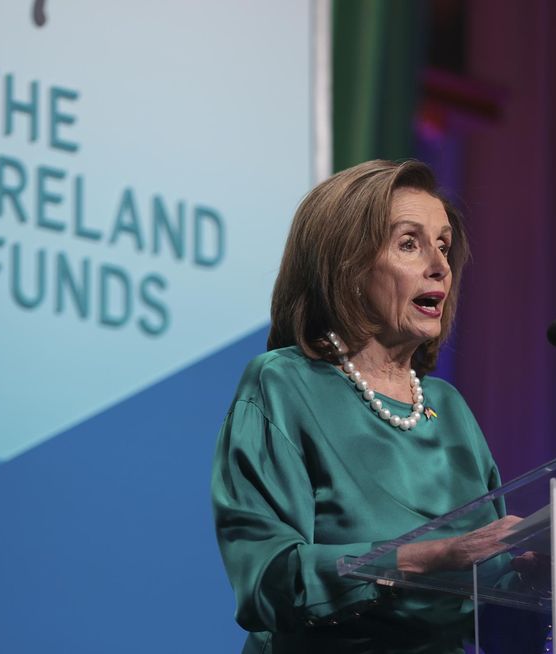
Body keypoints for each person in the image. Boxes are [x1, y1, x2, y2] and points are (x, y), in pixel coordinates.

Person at [211, 160, 520, 654]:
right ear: (348, 267)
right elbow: (268, 582)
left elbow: (487, 603)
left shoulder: (449, 408)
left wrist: (533, 574)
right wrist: (426, 558)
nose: (440, 265)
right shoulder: (284, 384)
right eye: (409, 244)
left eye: (443, 245)